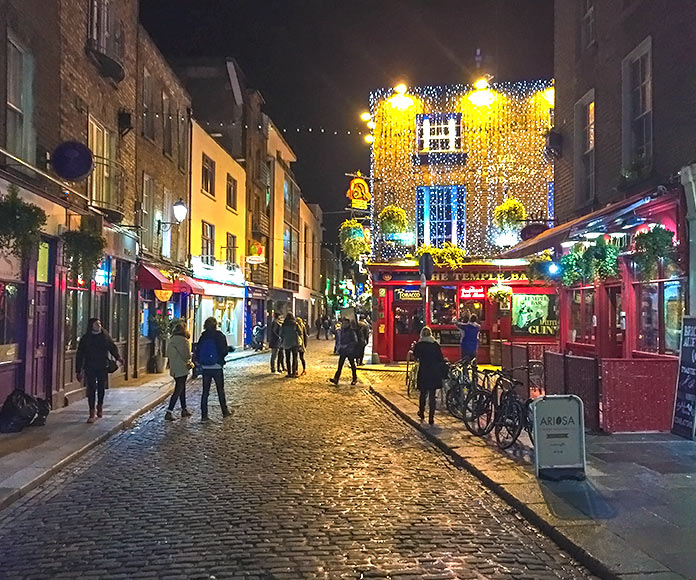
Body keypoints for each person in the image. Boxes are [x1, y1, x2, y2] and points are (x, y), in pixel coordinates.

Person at [75, 318, 122, 423]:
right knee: (91, 388)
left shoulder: (105, 336)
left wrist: (118, 357)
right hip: (90, 366)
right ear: (91, 325)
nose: (99, 325)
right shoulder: (86, 338)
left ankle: (99, 406)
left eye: (100, 323)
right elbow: (80, 354)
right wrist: (78, 370)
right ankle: (91, 412)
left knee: (101, 387)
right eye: (96, 324)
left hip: (102, 366)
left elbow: (112, 347)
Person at [194, 317, 230, 421]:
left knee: (205, 392)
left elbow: (198, 350)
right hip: (217, 366)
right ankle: (225, 411)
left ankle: (204, 415)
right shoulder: (219, 336)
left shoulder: (203, 336)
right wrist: (220, 358)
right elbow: (224, 351)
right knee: (220, 390)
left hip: (206, 367)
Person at [412, 326, 446, 425]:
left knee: (423, 393)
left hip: (424, 371)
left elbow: (416, 356)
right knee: (432, 395)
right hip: (434, 372)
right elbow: (440, 357)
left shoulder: (420, 344)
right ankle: (431, 417)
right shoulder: (435, 344)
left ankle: (421, 412)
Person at [165, 322, 193, 421]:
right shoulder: (183, 341)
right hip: (181, 368)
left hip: (175, 368)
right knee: (178, 390)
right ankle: (169, 411)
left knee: (182, 389)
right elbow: (186, 356)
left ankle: (184, 409)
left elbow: (168, 354)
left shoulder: (171, 340)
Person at [329, 318, 358, 385]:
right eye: (343, 323)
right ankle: (336, 379)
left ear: (348, 324)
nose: (344, 325)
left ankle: (355, 378)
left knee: (352, 365)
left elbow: (355, 341)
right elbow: (335, 333)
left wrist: (348, 346)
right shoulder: (342, 330)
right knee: (340, 365)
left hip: (350, 351)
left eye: (345, 323)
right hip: (343, 351)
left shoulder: (351, 331)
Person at [280, 312, 301, 377]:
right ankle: (294, 372)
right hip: (294, 343)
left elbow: (281, 334)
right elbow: (300, 332)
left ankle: (289, 372)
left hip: (286, 343)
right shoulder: (295, 324)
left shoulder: (284, 324)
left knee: (287, 358)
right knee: (294, 358)